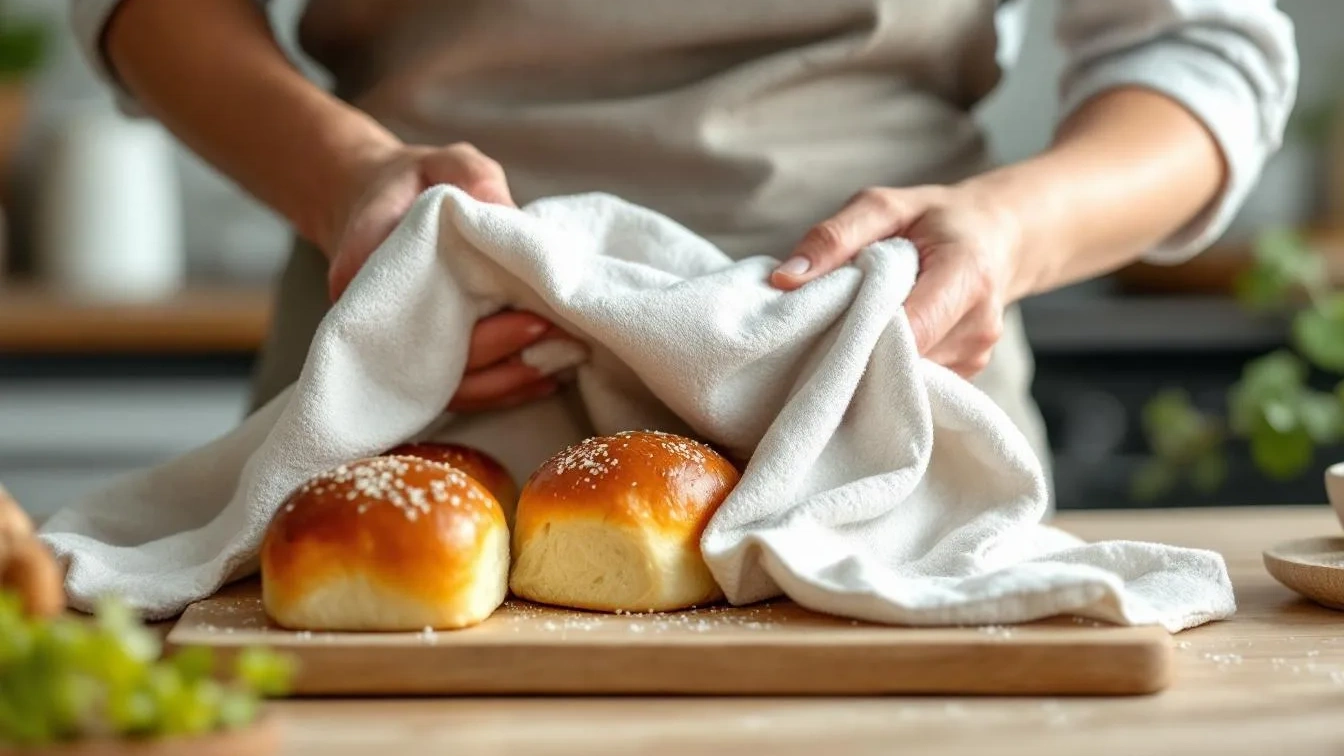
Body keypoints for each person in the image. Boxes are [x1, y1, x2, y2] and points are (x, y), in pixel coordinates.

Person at [71, 0, 1297, 494]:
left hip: (885, 404)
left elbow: (1200, 49)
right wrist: (343, 181)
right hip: (408, 386)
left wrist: (1013, 229)